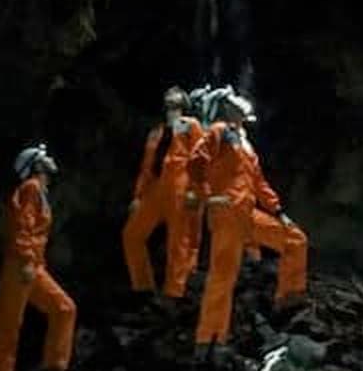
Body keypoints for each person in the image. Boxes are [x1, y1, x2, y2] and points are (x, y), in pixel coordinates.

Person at [187, 93, 307, 351]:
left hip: (248, 213)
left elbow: (259, 182)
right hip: (227, 213)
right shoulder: (219, 131)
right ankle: (209, 338)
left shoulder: (246, 143)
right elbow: (196, 162)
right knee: (223, 276)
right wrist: (209, 197)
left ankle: (287, 300)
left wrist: (278, 211)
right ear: (227, 109)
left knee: (295, 239)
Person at [0, 143, 77, 371]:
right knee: (9, 325)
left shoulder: (39, 190)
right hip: (21, 267)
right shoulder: (31, 188)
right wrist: (26, 260)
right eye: (45, 157)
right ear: (36, 165)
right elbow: (21, 227)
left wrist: (33, 262)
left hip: (32, 267)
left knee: (64, 308)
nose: (51, 159)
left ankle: (54, 368)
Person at [123, 86, 205, 299]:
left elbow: (201, 160)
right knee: (132, 235)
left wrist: (195, 192)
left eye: (176, 93)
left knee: (178, 240)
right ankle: (143, 286)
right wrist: (138, 196)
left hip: (181, 185)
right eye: (168, 93)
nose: (171, 94)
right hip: (156, 188)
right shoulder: (156, 132)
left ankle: (174, 292)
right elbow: (146, 168)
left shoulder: (191, 125)